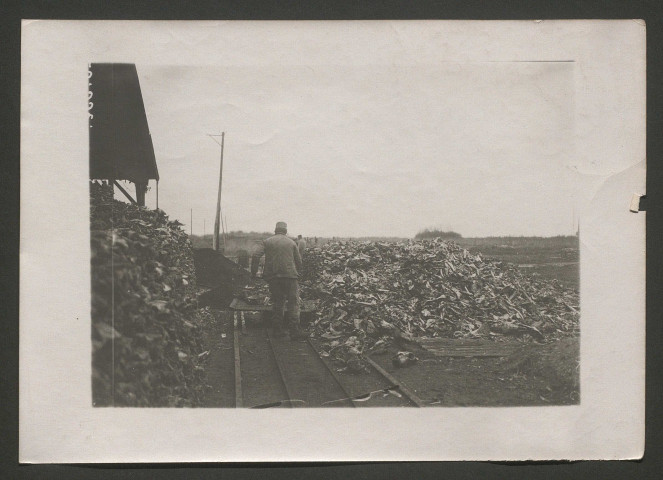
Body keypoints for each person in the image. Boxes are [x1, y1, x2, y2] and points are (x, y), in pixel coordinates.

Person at [251, 222, 305, 340]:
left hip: (273, 277)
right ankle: (294, 331)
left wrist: (253, 272)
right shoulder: (292, 242)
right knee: (293, 303)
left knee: (278, 303)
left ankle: (277, 331)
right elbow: (298, 261)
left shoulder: (267, 241)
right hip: (290, 276)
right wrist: (299, 273)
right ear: (285, 231)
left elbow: (255, 255)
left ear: (275, 230)